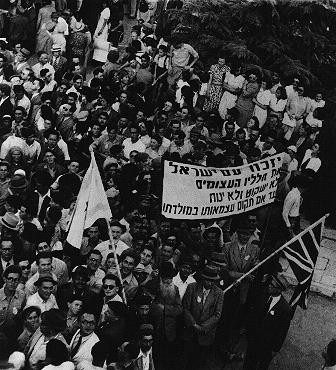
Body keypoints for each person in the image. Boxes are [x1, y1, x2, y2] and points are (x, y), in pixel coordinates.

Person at [243, 273, 291, 370]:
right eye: (270, 283)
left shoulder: (285, 309)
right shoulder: (263, 295)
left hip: (267, 346)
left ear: (279, 290)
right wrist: (248, 331)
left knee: (261, 365)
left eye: (272, 285)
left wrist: (275, 349)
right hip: (253, 339)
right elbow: (254, 313)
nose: (269, 285)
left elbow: (282, 331)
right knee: (248, 363)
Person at [182, 265, 224, 370]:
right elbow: (185, 308)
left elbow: (217, 315)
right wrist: (194, 325)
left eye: (213, 281)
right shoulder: (192, 287)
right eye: (208, 280)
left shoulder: (219, 293)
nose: (211, 283)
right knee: (185, 359)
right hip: (190, 332)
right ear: (203, 278)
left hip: (205, 335)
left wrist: (203, 328)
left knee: (199, 361)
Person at [0, 265, 26, 354]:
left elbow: (22, 315)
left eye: (16, 280)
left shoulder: (22, 295)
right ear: (4, 279)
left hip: (13, 333)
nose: (13, 282)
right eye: (10, 279)